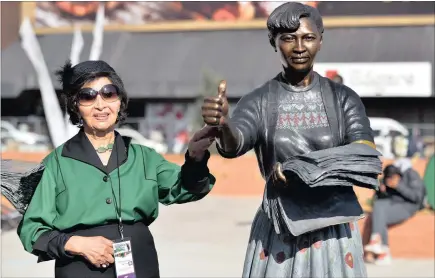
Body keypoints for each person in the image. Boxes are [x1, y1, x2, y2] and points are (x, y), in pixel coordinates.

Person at [201, 2, 377, 277]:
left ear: (320, 41)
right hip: (279, 230)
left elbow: (364, 153)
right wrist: (223, 125)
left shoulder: (343, 99)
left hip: (332, 228)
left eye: (307, 37)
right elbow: (235, 144)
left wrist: (312, 170)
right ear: (274, 43)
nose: (298, 47)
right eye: (288, 38)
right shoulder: (258, 101)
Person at [16, 60, 217, 278]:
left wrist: (196, 158)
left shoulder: (145, 158)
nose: (100, 105)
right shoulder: (56, 164)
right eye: (88, 96)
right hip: (79, 270)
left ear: (120, 100)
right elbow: (32, 230)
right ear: (75, 105)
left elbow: (187, 188)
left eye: (109, 93)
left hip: (140, 267)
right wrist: (75, 243)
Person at [364, 163, 426, 265]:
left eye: (394, 176)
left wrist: (398, 186)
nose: (391, 178)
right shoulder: (387, 179)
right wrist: (381, 191)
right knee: (379, 208)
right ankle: (381, 250)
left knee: (380, 212)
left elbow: (417, 198)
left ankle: (378, 246)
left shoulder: (411, 174)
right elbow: (382, 199)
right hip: (394, 205)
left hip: (409, 207)